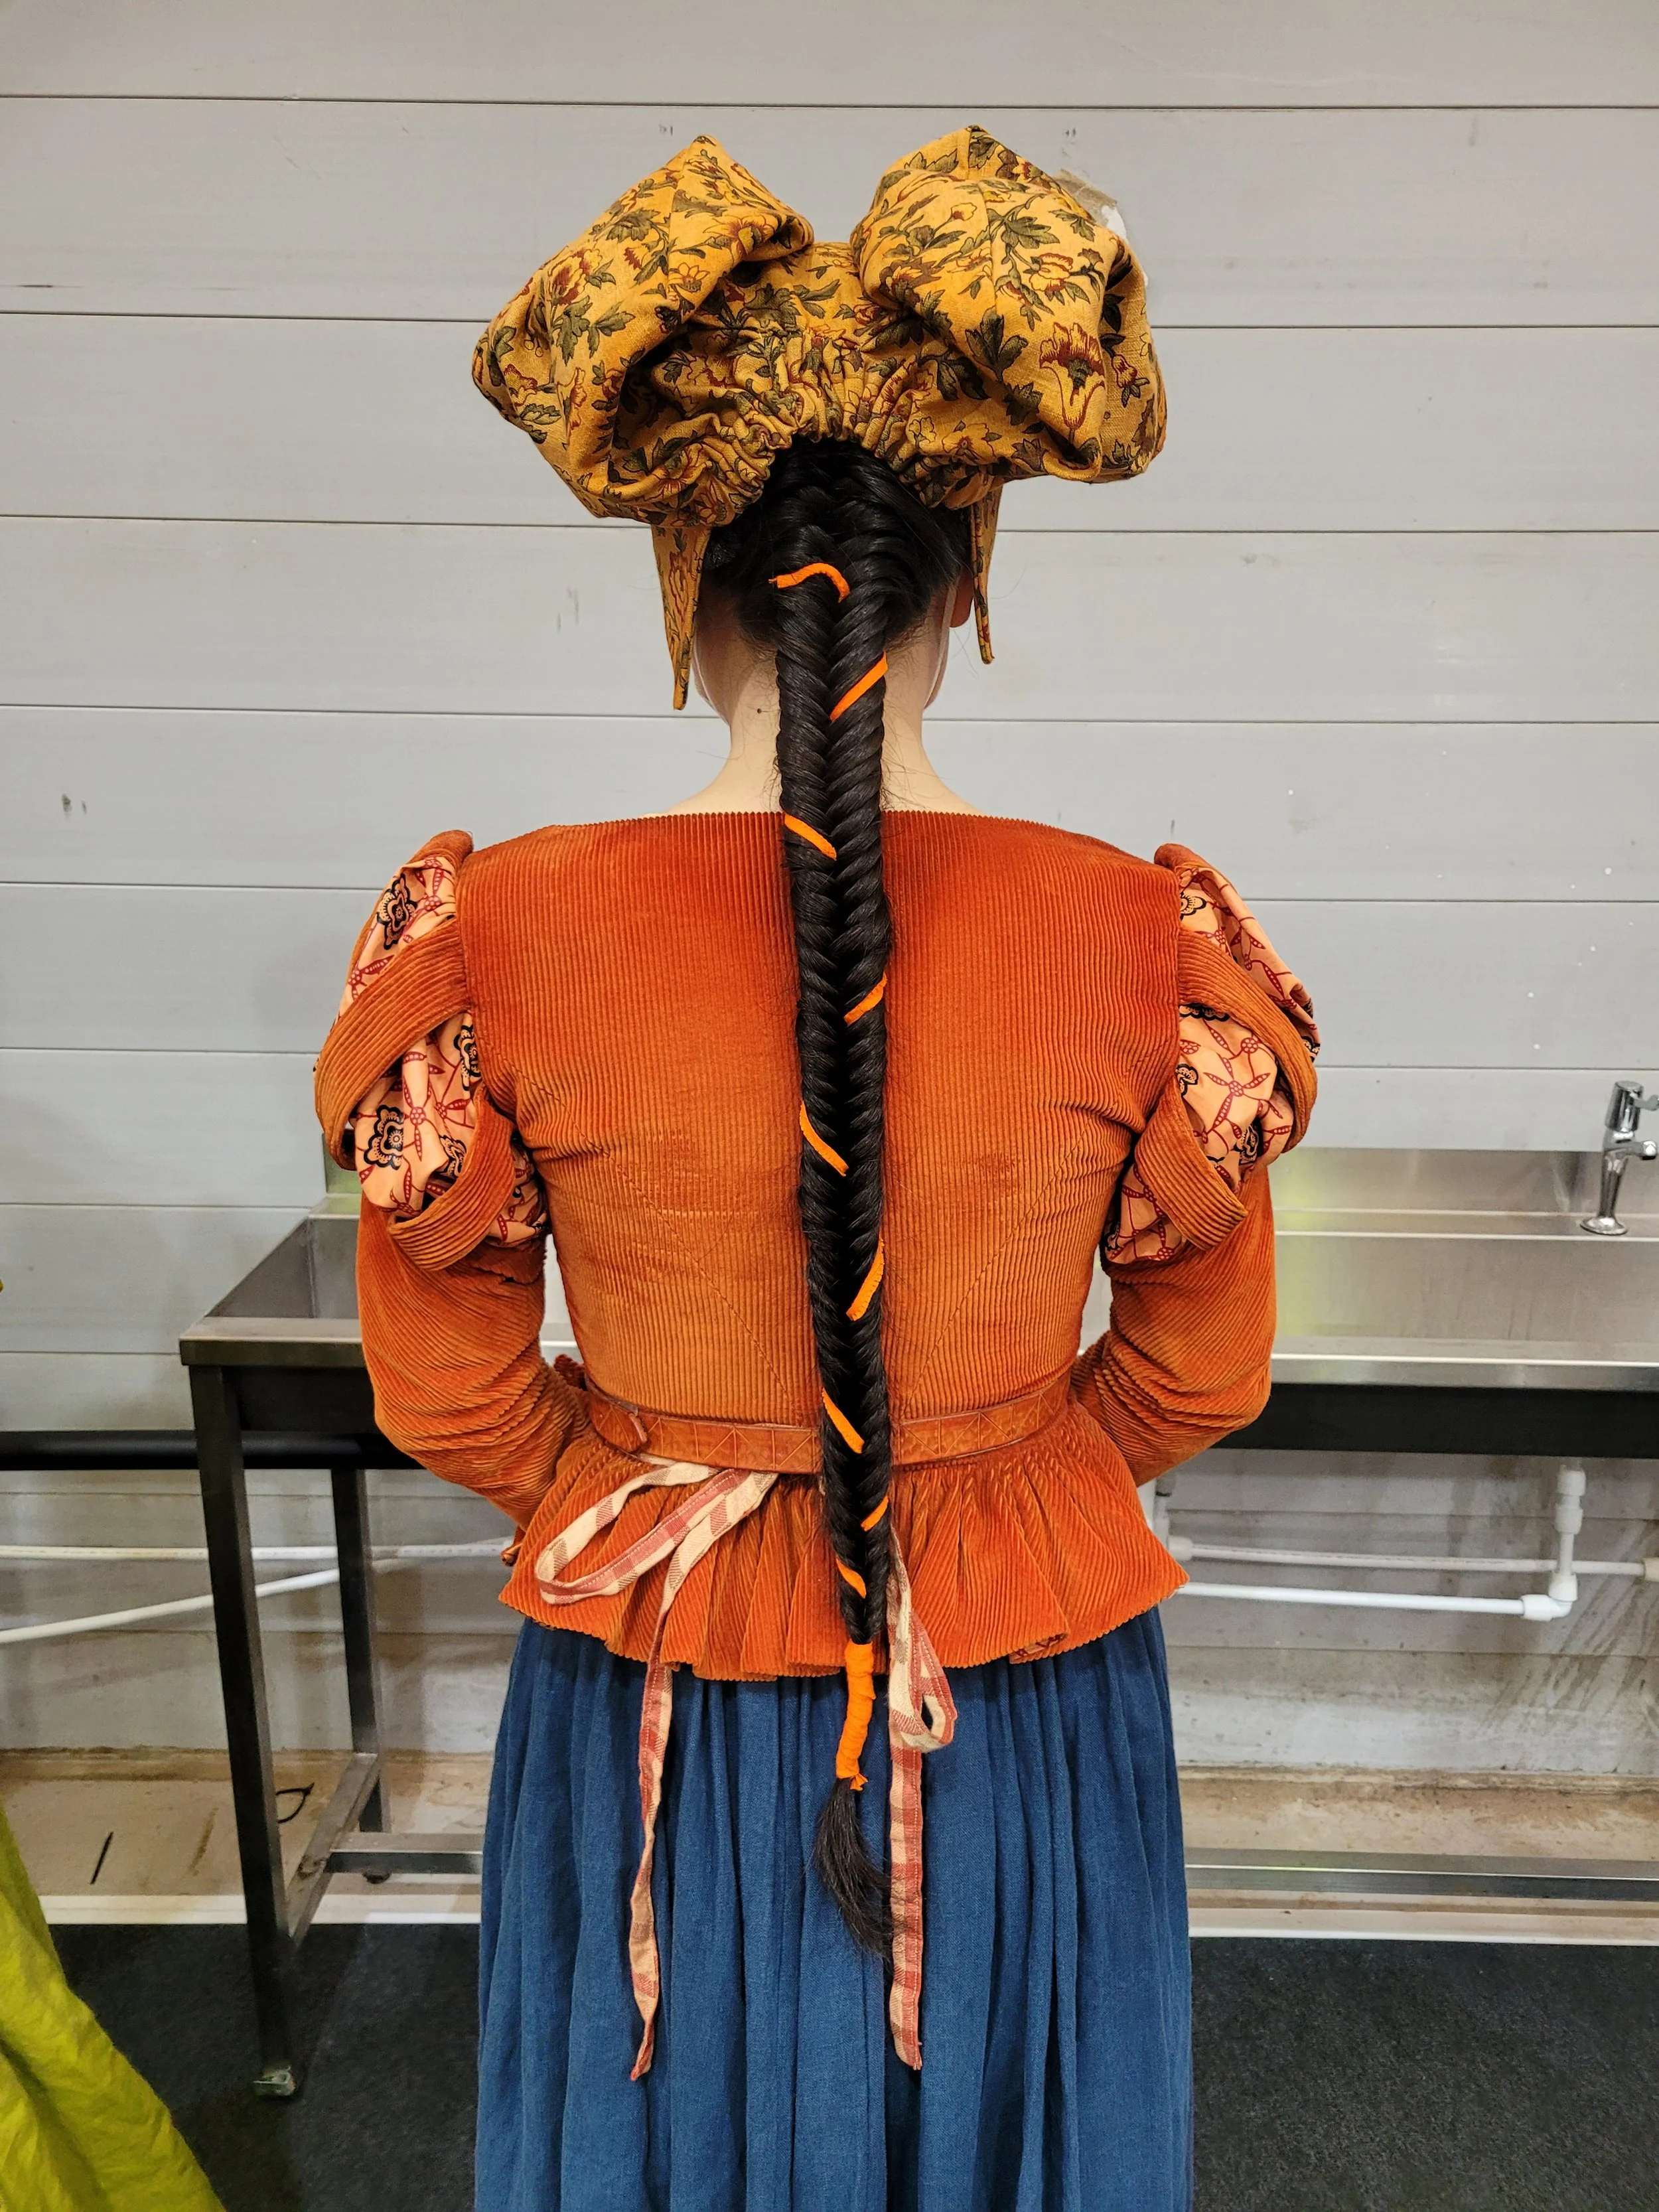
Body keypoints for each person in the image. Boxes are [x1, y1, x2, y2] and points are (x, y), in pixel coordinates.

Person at [316, 127, 1317, 2212]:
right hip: (1006, 1690)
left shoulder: (492, 934)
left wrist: (658, 1486)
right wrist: (1000, 1475)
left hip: (652, 1662)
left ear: (684, 588)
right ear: (966, 581)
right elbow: (1195, 1377)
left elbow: (448, 1394)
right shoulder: (1132, 941)